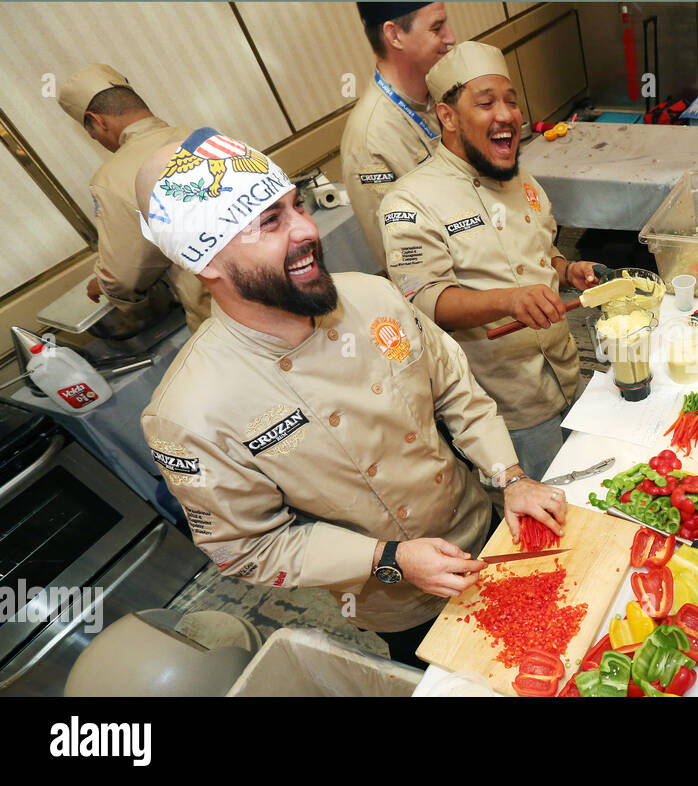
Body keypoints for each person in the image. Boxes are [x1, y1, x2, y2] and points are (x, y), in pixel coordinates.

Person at [137, 128, 567, 667]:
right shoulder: (190, 413)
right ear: (207, 262)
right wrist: (389, 559)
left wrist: (510, 478)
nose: (308, 229)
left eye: (297, 206)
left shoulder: (372, 294)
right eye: (271, 221)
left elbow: (456, 389)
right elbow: (246, 548)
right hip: (398, 598)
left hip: (488, 526)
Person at [379, 42, 600, 479]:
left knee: (591, 485)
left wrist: (567, 271)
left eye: (511, 102)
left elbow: (544, 252)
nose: (506, 115)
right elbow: (424, 302)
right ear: (448, 117)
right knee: (543, 516)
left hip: (568, 373)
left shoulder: (517, 174)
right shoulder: (410, 200)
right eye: (486, 103)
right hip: (505, 406)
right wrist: (509, 301)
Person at [57, 64, 210, 332]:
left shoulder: (112, 179)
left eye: (93, 134)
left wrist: (103, 283)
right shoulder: (203, 135)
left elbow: (125, 276)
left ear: (98, 121)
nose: (98, 140)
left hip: (226, 312)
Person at [341, 2, 456, 266]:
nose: (451, 37)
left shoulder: (444, 91)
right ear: (394, 36)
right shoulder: (370, 142)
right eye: (437, 28)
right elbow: (407, 266)